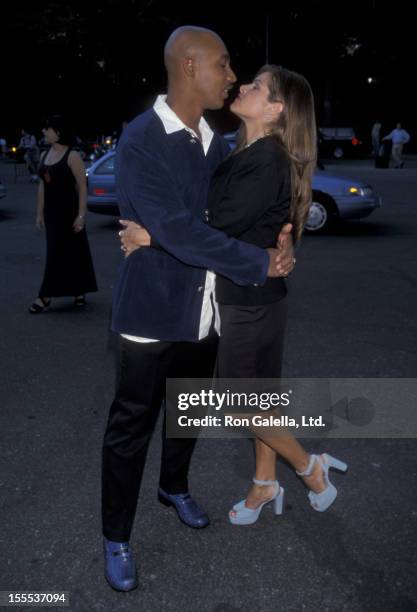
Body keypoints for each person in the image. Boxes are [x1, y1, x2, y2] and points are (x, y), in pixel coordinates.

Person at [101, 26, 295, 592]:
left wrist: (279, 244)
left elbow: (222, 218)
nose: (232, 76)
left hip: (206, 310)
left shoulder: (215, 140)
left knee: (187, 412)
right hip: (149, 312)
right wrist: (258, 263)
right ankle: (116, 536)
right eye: (224, 64)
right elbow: (184, 230)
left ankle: (173, 486)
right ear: (189, 66)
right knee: (131, 424)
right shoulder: (141, 138)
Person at [121, 65, 348, 526]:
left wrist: (153, 238)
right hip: (262, 293)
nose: (243, 85)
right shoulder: (247, 150)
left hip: (248, 301)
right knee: (261, 398)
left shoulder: (265, 158)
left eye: (257, 87)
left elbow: (213, 227)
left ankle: (310, 467)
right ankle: (265, 484)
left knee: (240, 401)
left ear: (276, 109)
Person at [29, 115, 97, 313]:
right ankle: (78, 291)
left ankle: (45, 296)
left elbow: (83, 188)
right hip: (52, 213)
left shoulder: (72, 156)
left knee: (66, 253)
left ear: (58, 132)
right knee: (65, 252)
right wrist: (39, 213)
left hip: (70, 213)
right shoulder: (44, 155)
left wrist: (81, 216)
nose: (44, 132)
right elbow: (42, 186)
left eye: (48, 129)